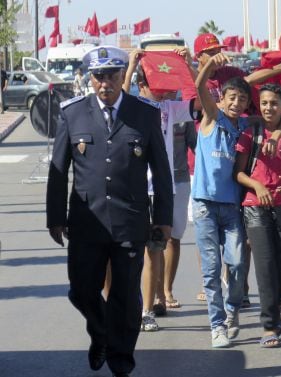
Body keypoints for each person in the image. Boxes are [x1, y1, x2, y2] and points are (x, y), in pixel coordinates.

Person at [46, 46, 173, 377]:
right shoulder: (72, 113)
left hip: (130, 220)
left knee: (125, 296)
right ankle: (101, 332)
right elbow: (58, 168)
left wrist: (163, 219)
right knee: (81, 289)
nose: (105, 83)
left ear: (122, 76)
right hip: (87, 222)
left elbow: (161, 170)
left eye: (112, 76)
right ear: (90, 79)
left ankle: (120, 360)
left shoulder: (143, 113)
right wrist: (55, 217)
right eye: (99, 76)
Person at [191, 32, 281, 305]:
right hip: (204, 187)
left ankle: (238, 294)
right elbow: (199, 86)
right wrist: (205, 68)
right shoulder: (213, 110)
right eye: (210, 51)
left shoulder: (243, 116)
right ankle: (218, 306)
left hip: (234, 190)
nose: (236, 102)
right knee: (211, 260)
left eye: (241, 99)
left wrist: (276, 135)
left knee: (240, 254)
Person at [121, 47, 199, 331]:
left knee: (155, 249)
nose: (165, 93)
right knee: (132, 252)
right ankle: (128, 305)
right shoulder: (130, 107)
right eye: (159, 88)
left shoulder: (168, 108)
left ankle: (147, 309)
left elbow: (197, 104)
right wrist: (131, 64)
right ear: (143, 84)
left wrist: (188, 66)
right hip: (134, 189)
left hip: (161, 190)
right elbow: (122, 93)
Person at [234, 83, 281, 348]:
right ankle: (269, 327)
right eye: (264, 103)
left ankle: (276, 301)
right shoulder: (250, 133)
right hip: (255, 207)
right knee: (265, 268)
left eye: (274, 103)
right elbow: (239, 173)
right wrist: (258, 185)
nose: (268, 108)